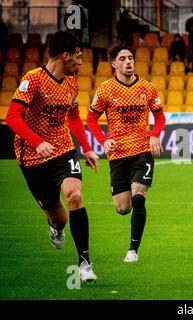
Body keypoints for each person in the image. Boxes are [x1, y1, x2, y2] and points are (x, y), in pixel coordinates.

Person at [5, 30, 98, 283]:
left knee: (75, 196)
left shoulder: (71, 82)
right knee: (59, 218)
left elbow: (73, 117)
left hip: (63, 150)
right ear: (66, 56)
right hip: (32, 158)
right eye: (78, 57)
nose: (81, 63)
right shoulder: (33, 79)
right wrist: (37, 142)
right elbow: (12, 117)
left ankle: (85, 264)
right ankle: (56, 228)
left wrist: (86, 147)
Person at [86, 43, 166, 263]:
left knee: (139, 199)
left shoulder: (148, 88)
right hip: (118, 154)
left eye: (130, 58)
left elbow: (160, 117)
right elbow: (91, 119)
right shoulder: (105, 90)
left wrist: (154, 135)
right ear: (113, 63)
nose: (128, 62)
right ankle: (127, 209)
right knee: (123, 208)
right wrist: (104, 140)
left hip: (142, 151)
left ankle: (133, 250)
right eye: (122, 59)